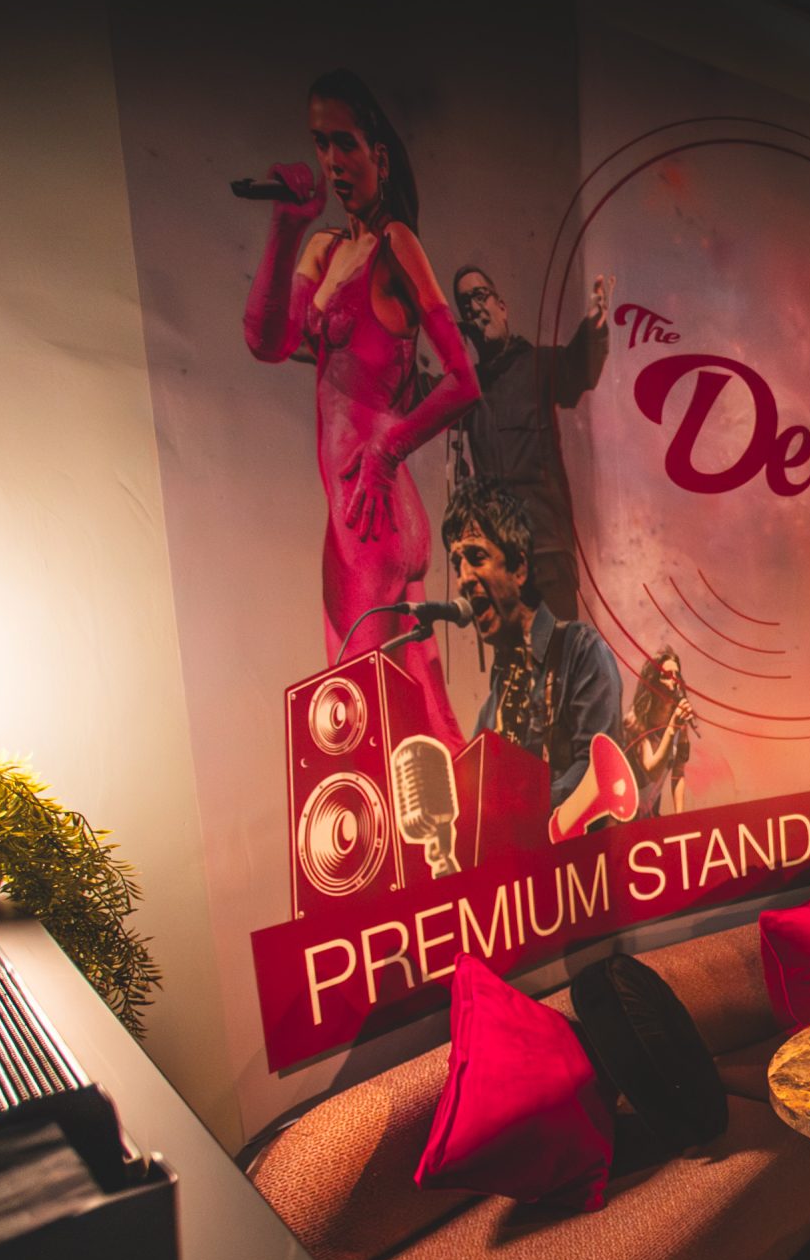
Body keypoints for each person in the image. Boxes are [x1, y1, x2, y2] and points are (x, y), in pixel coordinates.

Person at [243, 68, 475, 747]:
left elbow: (463, 379)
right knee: (410, 704)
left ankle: (414, 851)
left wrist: (387, 448)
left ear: (378, 150)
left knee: (369, 718)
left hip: (374, 508)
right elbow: (267, 340)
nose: (333, 162)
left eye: (344, 143)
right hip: (351, 514)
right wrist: (288, 225)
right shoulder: (325, 249)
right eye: (321, 144)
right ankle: (466, 845)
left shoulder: (395, 245)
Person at [446, 263, 612, 619]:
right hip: (501, 564)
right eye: (465, 304)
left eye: (479, 295)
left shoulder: (539, 364)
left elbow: (578, 368)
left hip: (547, 551)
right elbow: (418, 396)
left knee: (558, 662)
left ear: (502, 306)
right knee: (517, 668)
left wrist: (596, 326)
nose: (474, 306)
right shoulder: (468, 389)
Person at [443, 482, 620, 813]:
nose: (463, 579)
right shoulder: (492, 706)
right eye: (456, 564)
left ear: (520, 568)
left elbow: (599, 769)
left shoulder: (579, 651)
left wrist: (520, 812)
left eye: (476, 557)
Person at [625, 647, 697, 817]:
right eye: (666, 675)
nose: (674, 681)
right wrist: (673, 727)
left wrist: (680, 817)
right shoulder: (635, 720)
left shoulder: (678, 721)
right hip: (625, 818)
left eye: (676, 675)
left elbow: (678, 772)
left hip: (651, 815)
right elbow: (652, 770)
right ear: (653, 682)